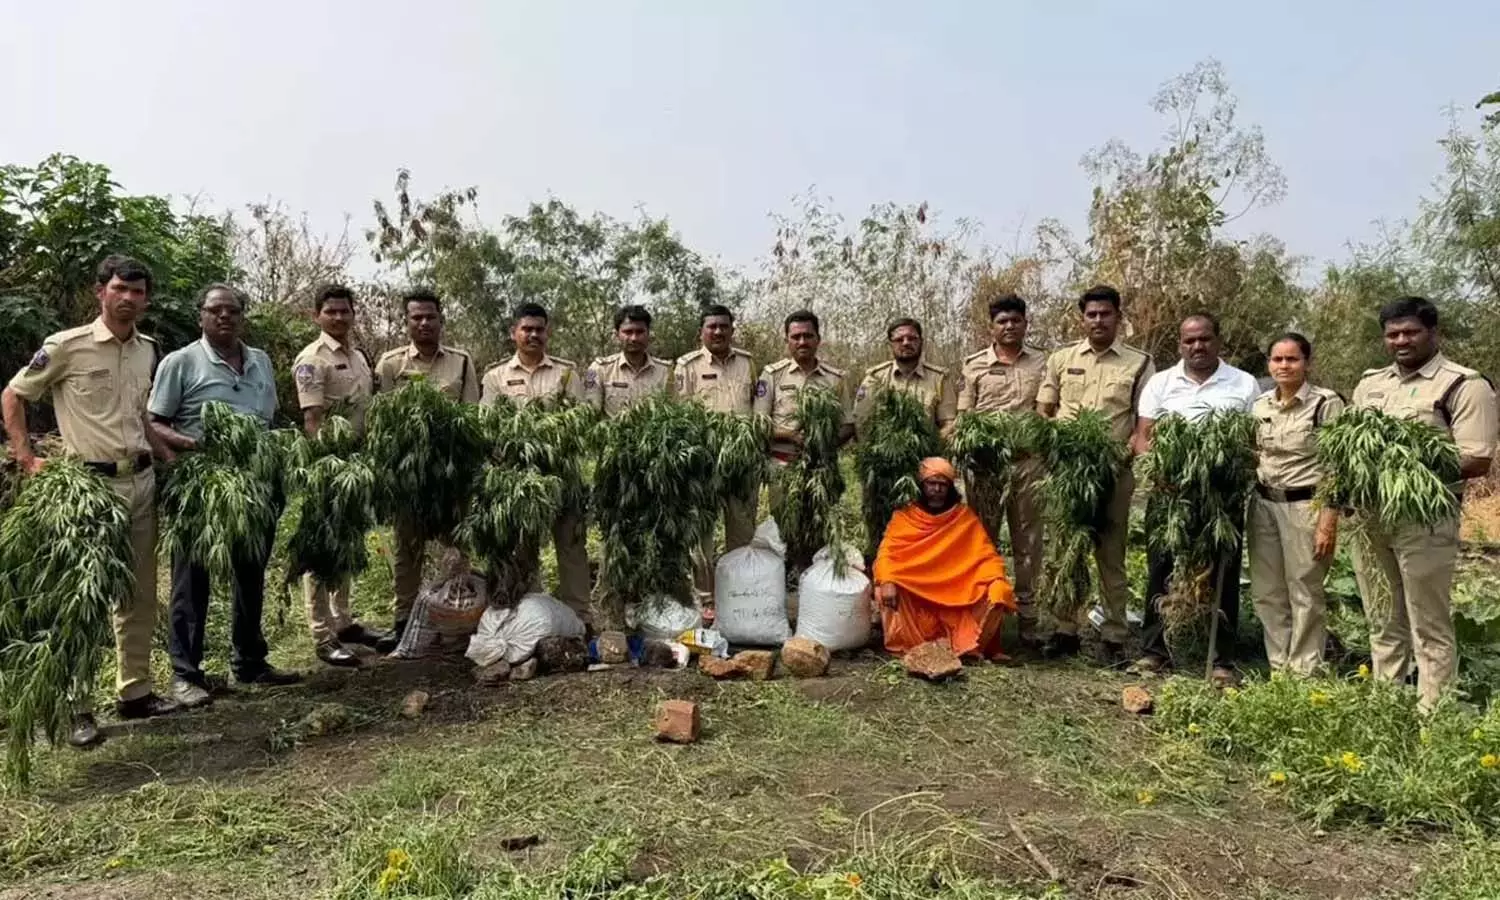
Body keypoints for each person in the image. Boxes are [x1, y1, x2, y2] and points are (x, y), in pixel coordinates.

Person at [1, 255, 181, 745]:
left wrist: (161, 448)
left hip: (140, 484)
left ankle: (135, 693)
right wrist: (26, 457)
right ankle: (76, 706)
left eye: (138, 291)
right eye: (120, 288)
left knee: (138, 593)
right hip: (89, 490)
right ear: (99, 291)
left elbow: (138, 413)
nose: (129, 298)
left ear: (146, 298)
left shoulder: (147, 349)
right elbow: (14, 396)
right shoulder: (66, 347)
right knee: (82, 601)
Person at [148, 284, 302, 707]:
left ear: (242, 316)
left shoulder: (261, 362)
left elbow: (266, 420)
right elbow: (153, 422)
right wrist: (193, 447)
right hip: (203, 488)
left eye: (232, 310)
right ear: (201, 315)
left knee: (251, 573)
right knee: (192, 580)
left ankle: (249, 660)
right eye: (215, 310)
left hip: (255, 486)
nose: (224, 317)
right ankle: (186, 674)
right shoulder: (181, 363)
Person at [1351, 297, 1496, 710]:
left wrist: (1405, 458)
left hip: (1425, 518)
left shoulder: (1464, 384)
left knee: (1427, 619)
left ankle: (1434, 714)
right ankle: (1387, 702)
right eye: (1393, 334)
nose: (1401, 340)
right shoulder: (1371, 383)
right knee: (1381, 613)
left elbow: (1477, 457)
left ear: (1433, 333)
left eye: (1410, 332)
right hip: (1371, 515)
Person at [1132, 313, 1260, 682]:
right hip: (1171, 495)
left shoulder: (1243, 383)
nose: (1197, 346)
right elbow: (1144, 437)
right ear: (1180, 345)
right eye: (1190, 341)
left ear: (1218, 341)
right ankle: (1154, 651)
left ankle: (1221, 659)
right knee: (1161, 567)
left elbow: (1252, 440)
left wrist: (1233, 472)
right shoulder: (1161, 383)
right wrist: (1159, 474)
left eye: (1204, 339)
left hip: (1221, 498)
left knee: (1223, 572)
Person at [1036, 285, 1153, 663]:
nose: (1098, 320)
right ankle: (1064, 628)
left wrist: (1126, 455)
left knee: (1111, 554)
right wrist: (1055, 449)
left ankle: (1114, 636)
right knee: (1065, 551)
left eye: (1106, 314)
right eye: (1092, 314)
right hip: (1069, 473)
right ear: (1082, 318)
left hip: (1113, 474)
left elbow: (1144, 423)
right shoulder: (1061, 358)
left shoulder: (1139, 363)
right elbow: (1045, 411)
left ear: (1119, 317)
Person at [373, 288, 480, 652]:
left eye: (430, 317)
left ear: (441, 321)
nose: (424, 323)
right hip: (409, 477)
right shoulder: (390, 364)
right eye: (416, 318)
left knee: (457, 549)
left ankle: (457, 620)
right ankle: (403, 622)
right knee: (407, 551)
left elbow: (471, 418)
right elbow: (383, 421)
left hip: (451, 476)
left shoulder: (462, 363)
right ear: (407, 323)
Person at [293, 283, 386, 667]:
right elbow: (312, 420)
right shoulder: (312, 359)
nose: (338, 317)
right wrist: (324, 469)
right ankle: (321, 633)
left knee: (347, 545)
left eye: (344, 311)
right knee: (323, 550)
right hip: (330, 465)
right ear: (317, 316)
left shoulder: (360, 356)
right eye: (330, 312)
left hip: (358, 465)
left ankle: (344, 621)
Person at [480, 302, 591, 618]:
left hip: (561, 475)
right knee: (523, 548)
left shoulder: (566, 374)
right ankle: (530, 615)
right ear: (513, 333)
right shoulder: (495, 376)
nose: (533, 335)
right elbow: (488, 426)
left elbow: (580, 419)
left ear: (548, 333)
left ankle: (579, 616)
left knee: (571, 547)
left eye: (539, 329)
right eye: (526, 329)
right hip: (518, 480)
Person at [1248, 333, 1344, 676]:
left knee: (1305, 589)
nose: (1284, 366)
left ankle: (1304, 671)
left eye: (1292, 359)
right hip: (1263, 506)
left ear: (1307, 363)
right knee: (1266, 590)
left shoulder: (1325, 404)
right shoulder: (1260, 405)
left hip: (1307, 507)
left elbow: (1338, 467)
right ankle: (1279, 666)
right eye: (1278, 359)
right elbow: (1253, 455)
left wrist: (1327, 521)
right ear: (1269, 364)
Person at [956, 294, 1046, 643]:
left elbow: (1047, 410)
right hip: (986, 468)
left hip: (1026, 464)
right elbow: (965, 417)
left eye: (1015, 321)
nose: (1009, 327)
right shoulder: (974, 365)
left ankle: (1028, 618)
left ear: (1025, 323)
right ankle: (984, 612)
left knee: (1029, 542)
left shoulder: (1042, 363)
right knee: (982, 540)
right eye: (1002, 322)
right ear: (990, 327)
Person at [872, 457, 1016, 657]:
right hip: (917, 592)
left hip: (958, 592)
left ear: (950, 488)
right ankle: (909, 646)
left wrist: (997, 577)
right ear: (922, 486)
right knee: (886, 588)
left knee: (998, 589)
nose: (937, 489)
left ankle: (971, 647)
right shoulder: (904, 516)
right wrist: (887, 580)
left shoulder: (963, 517)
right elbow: (886, 555)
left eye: (943, 484)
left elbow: (987, 557)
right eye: (932, 483)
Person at [754, 310, 853, 569]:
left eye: (807, 336)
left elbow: (848, 425)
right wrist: (791, 436)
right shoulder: (772, 375)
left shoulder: (835, 378)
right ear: (787, 340)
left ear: (818, 339)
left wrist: (823, 442)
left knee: (819, 522)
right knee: (786, 522)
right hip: (783, 465)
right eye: (795, 336)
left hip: (821, 466)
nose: (802, 342)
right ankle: (787, 575)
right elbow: (759, 423)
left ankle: (815, 574)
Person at [672, 304, 758, 600]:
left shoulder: (748, 363)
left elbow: (757, 411)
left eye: (724, 326)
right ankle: (704, 598)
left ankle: (740, 598)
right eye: (712, 327)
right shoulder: (687, 366)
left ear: (732, 330)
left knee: (743, 533)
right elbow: (681, 417)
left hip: (741, 464)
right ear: (701, 332)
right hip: (703, 466)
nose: (719, 332)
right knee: (701, 538)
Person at [584, 305, 671, 418]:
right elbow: (590, 413)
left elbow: (672, 414)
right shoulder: (600, 369)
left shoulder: (665, 372)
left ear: (648, 334)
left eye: (640, 332)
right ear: (616, 335)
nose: (634, 338)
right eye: (628, 332)